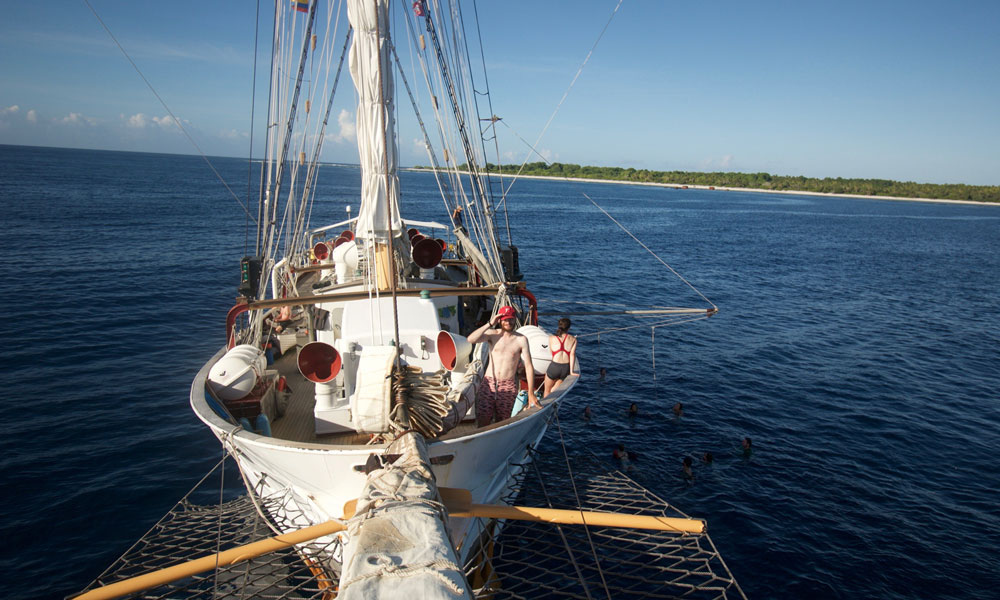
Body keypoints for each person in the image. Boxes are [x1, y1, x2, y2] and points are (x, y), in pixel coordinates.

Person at [468, 305, 536, 427]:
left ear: (515, 319)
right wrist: (489, 323)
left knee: (503, 422)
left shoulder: (521, 340)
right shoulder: (492, 334)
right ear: (499, 320)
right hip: (489, 383)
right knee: (483, 420)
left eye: (510, 319)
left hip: (508, 385)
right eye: (505, 319)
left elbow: (529, 366)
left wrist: (531, 393)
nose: (508, 322)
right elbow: (471, 339)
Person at [543, 318, 577, 398]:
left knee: (547, 391)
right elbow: (572, 355)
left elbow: (552, 354)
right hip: (565, 368)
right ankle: (553, 393)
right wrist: (571, 372)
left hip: (554, 367)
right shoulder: (573, 339)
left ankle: (545, 406)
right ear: (569, 328)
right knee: (553, 390)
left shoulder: (551, 338)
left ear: (559, 326)